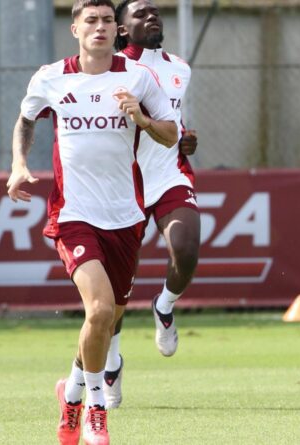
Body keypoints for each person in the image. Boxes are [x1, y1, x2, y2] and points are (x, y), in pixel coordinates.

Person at [6, 1, 178, 443]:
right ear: (75, 28)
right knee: (99, 309)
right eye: (91, 21)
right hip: (73, 215)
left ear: (116, 29)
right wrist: (18, 163)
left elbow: (171, 133)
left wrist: (139, 117)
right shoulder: (51, 77)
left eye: (106, 21)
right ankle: (95, 411)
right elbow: (26, 119)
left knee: (106, 320)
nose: (99, 28)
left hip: (124, 217)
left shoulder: (138, 77)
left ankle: (72, 388)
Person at [101, 0, 200, 410]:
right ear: (122, 29)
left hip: (168, 174)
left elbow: (172, 121)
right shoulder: (108, 71)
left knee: (187, 251)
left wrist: (185, 138)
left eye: (155, 11)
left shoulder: (180, 67)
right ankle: (111, 362)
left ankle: (164, 305)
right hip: (123, 184)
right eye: (140, 14)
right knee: (117, 289)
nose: (152, 16)